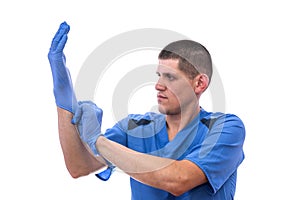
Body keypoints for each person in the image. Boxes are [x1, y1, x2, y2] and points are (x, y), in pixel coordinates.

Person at [48, 21, 245, 200]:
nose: (158, 85)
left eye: (170, 77)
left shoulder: (225, 128)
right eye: (159, 75)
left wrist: (98, 140)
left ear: (199, 83)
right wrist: (64, 100)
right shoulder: (135, 128)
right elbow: (79, 166)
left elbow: (179, 179)